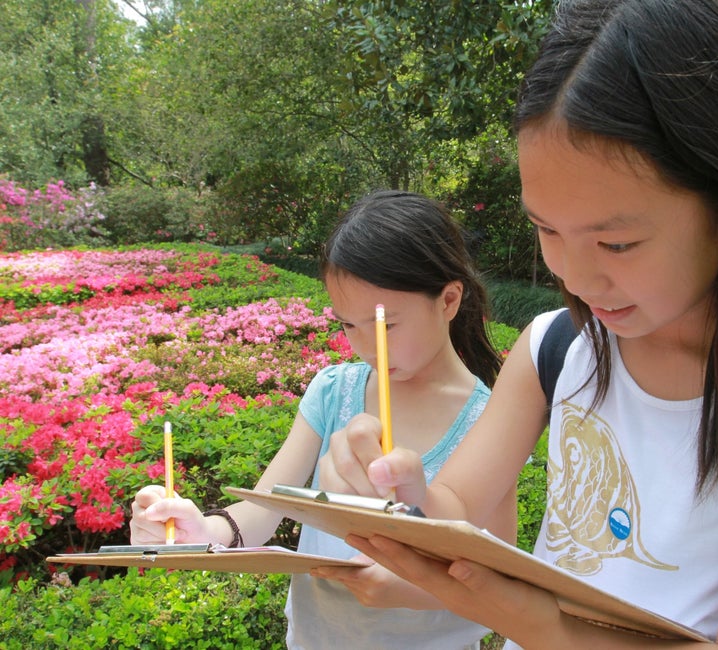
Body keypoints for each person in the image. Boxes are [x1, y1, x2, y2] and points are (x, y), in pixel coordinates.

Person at [314, 1, 718, 648]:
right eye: (546, 229)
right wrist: (402, 495)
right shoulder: (556, 350)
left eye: (616, 244)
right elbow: (454, 510)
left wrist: (532, 618)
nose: (577, 278)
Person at [129, 189, 511, 650]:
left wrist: (409, 589)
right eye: (349, 325)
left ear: (448, 300)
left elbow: (496, 579)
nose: (367, 348)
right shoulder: (335, 392)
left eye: (387, 326)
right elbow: (264, 509)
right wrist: (200, 532)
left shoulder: (492, 421)